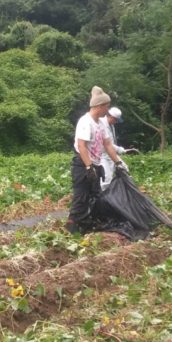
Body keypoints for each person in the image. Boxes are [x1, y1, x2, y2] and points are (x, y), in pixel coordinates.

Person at [66, 86, 128, 234]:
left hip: (96, 165)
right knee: (81, 197)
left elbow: (107, 144)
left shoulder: (101, 124)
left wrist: (118, 162)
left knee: (95, 197)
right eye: (106, 107)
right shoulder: (86, 122)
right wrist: (89, 167)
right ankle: (72, 227)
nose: (107, 111)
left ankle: (88, 223)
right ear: (99, 106)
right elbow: (81, 146)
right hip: (83, 165)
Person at [99, 107, 138, 190]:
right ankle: (103, 197)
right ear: (111, 117)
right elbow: (107, 144)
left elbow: (111, 144)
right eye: (116, 120)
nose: (116, 122)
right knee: (106, 179)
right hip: (103, 156)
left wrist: (122, 150)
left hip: (111, 153)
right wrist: (122, 150)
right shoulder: (102, 124)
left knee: (124, 168)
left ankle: (128, 191)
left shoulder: (111, 125)